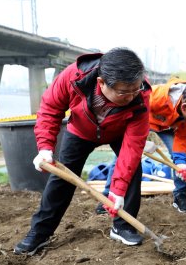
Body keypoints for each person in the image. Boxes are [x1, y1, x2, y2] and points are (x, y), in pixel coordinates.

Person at [14, 47, 151, 254]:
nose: (131, 96)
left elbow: (133, 145)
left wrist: (117, 190)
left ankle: (123, 226)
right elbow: (50, 109)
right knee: (62, 179)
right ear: (101, 83)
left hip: (120, 131)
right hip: (81, 130)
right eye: (124, 92)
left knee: (132, 170)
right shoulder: (73, 77)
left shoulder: (141, 94)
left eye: (135, 89)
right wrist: (45, 147)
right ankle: (39, 232)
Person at [97, 81, 186, 214]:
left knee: (180, 162)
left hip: (168, 127)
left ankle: (180, 195)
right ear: (185, 106)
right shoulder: (156, 97)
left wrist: (180, 162)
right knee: (123, 156)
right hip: (142, 121)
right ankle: (107, 195)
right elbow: (131, 114)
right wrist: (138, 140)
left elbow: (181, 138)